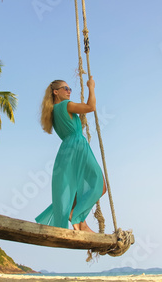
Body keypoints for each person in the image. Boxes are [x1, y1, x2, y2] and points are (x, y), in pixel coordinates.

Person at [36, 76, 106, 232]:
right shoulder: (66, 105)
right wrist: (91, 87)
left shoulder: (53, 113)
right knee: (100, 185)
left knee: (73, 187)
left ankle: (80, 223)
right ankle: (76, 215)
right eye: (65, 89)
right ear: (56, 92)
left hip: (66, 150)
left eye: (70, 89)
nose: (69, 91)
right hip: (78, 146)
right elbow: (90, 107)